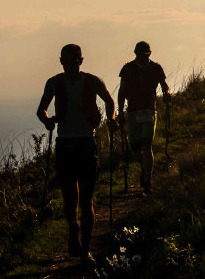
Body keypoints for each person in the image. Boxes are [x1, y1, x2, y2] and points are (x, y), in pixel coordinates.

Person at [35, 44, 116, 266]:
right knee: (70, 200)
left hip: (85, 144)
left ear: (81, 61)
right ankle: (73, 228)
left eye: (75, 61)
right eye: (67, 62)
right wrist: (47, 120)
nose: (71, 65)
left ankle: (85, 251)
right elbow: (41, 109)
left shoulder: (92, 81)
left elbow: (110, 101)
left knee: (86, 199)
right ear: (61, 61)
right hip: (66, 144)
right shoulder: (54, 83)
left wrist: (111, 119)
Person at [117, 41, 171, 195]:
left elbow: (164, 84)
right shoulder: (127, 69)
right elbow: (122, 91)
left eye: (146, 54)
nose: (143, 56)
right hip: (133, 111)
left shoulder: (156, 68)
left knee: (147, 145)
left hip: (149, 111)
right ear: (135, 53)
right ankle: (145, 168)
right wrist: (120, 112)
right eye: (141, 54)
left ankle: (147, 178)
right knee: (135, 148)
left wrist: (166, 92)